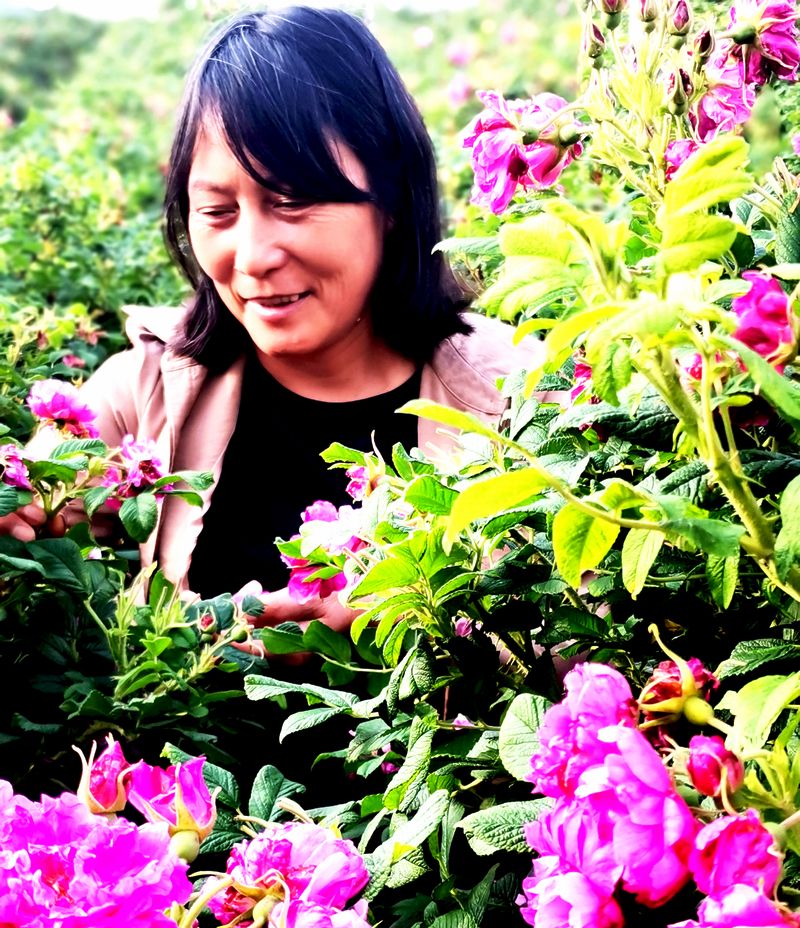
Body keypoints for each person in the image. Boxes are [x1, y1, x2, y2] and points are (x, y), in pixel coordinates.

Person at [6, 6, 534, 635]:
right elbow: (36, 501)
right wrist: (19, 504)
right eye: (218, 211)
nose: (253, 257)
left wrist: (393, 627)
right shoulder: (150, 390)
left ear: (391, 199)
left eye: (293, 201)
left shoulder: (519, 398)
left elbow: (592, 638)